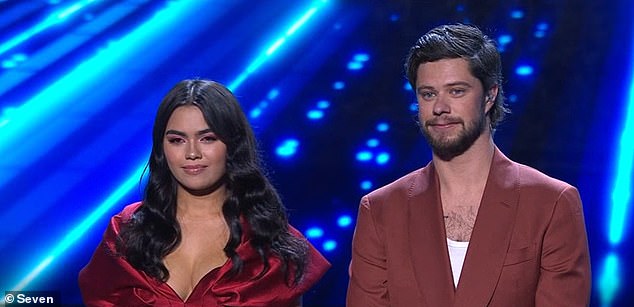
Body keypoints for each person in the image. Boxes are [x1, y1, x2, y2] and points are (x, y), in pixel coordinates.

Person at [346, 24, 591, 306]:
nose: (440, 108)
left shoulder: (551, 204)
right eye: (428, 94)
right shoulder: (380, 211)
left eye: (456, 91)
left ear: (490, 96)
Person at [79, 79, 330, 306]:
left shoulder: (269, 241)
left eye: (207, 138)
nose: (191, 153)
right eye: (177, 140)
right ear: (161, 149)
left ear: (232, 144)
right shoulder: (127, 230)